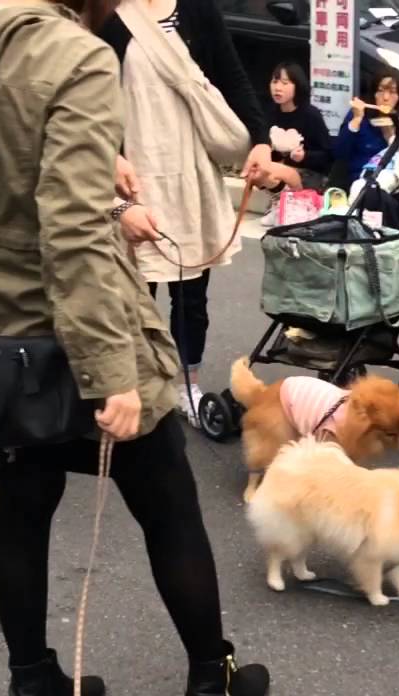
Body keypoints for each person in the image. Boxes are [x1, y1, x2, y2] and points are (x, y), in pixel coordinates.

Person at [0, 1, 271, 696]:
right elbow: (70, 232)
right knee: (169, 511)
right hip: (82, 327)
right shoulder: (79, 57)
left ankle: (32, 685)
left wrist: (102, 164)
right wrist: (111, 374)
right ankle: (209, 679)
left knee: (24, 509)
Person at [98, 0, 274, 427]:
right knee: (130, 291)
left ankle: (187, 383)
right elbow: (93, 97)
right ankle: (130, 385)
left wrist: (261, 139)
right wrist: (109, 157)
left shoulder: (197, 9)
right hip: (132, 172)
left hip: (191, 172)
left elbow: (231, 75)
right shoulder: (106, 13)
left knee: (191, 292)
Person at [332, 67, 399, 229]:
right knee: (380, 199)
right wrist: (356, 120)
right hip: (364, 180)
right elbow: (339, 153)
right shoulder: (360, 115)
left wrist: (392, 135)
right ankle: (396, 241)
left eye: (392, 92)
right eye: (380, 91)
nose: (386, 98)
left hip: (397, 181)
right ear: (373, 94)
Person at [259, 61, 332, 210]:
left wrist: (304, 156)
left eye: (285, 83)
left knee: (272, 171)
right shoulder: (270, 112)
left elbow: (327, 156)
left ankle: (283, 206)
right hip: (280, 170)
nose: (277, 88)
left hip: (310, 175)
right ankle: (278, 205)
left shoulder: (311, 115)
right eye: (274, 81)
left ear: (297, 86)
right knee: (260, 170)